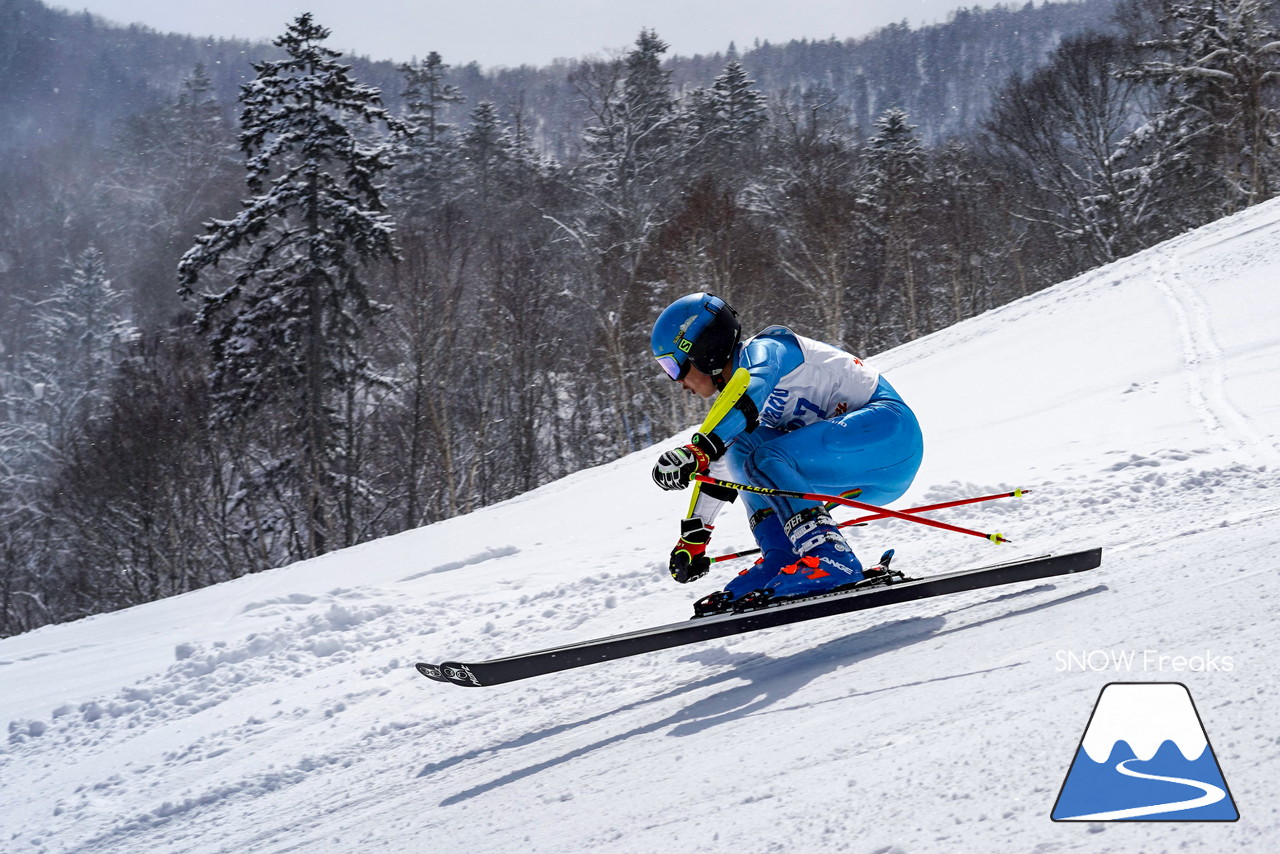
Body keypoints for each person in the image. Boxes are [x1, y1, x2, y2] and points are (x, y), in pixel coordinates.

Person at [649, 292, 924, 605]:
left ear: (704, 351)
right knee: (741, 449)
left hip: (891, 433)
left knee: (765, 458)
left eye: (674, 368)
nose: (678, 383)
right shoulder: (737, 400)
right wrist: (694, 537)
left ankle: (831, 557)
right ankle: (783, 555)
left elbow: (749, 392)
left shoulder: (767, 350)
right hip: (849, 462)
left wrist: (699, 449)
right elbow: (722, 463)